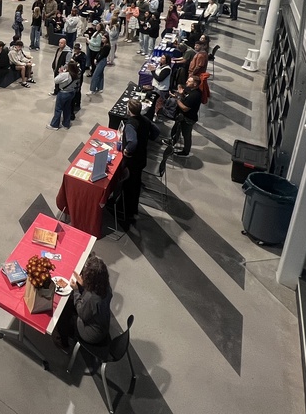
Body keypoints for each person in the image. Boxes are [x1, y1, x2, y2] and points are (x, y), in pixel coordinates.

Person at [53, 254, 112, 350]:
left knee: (62, 314)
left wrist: (76, 290)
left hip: (91, 334)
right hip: (102, 326)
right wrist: (84, 286)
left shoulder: (91, 298)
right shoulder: (106, 288)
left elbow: (82, 313)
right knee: (70, 305)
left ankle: (63, 343)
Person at [120, 99, 160, 229]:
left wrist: (126, 150)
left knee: (130, 185)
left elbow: (133, 142)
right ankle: (133, 209)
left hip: (133, 161)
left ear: (129, 110)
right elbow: (156, 131)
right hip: (142, 157)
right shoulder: (145, 119)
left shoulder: (131, 124)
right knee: (136, 184)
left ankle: (127, 212)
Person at [164, 75, 202, 158]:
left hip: (188, 118)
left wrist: (177, 98)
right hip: (182, 117)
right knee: (177, 130)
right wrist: (180, 95)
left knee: (186, 135)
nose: (186, 82)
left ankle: (186, 151)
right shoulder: (192, 91)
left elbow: (185, 108)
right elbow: (186, 100)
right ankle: (172, 141)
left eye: (189, 81)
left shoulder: (195, 95)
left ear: (195, 84)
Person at [48, 60, 79, 129]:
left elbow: (56, 80)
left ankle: (54, 125)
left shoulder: (65, 75)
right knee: (67, 108)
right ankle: (66, 124)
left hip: (63, 93)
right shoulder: (76, 75)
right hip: (71, 92)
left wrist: (60, 73)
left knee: (58, 109)